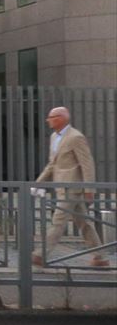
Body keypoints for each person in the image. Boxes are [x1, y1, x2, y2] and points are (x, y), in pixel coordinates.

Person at [33, 107, 108, 267]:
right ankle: (100, 257)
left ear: (60, 118)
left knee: (58, 221)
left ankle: (41, 255)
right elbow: (52, 164)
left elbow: (87, 164)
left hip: (72, 188)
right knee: (84, 223)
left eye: (51, 117)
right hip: (61, 187)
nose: (48, 120)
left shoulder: (76, 137)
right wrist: (38, 183)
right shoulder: (54, 137)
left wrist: (89, 189)